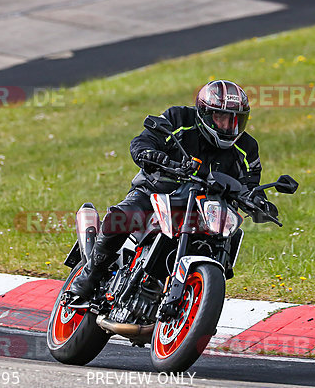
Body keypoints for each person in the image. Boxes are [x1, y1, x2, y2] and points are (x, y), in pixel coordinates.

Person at [69, 79, 278, 299]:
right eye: (221, 118)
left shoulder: (247, 147)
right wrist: (151, 154)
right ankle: (90, 274)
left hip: (206, 206)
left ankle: (196, 291)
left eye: (234, 120)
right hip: (157, 191)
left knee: (228, 234)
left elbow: (251, 184)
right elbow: (143, 141)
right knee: (123, 217)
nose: (227, 126)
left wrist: (260, 202)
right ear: (205, 114)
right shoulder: (177, 118)